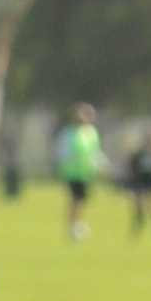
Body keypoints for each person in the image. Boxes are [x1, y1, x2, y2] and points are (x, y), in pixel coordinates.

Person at [56, 102, 105, 239]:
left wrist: (101, 166)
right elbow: (62, 151)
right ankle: (73, 226)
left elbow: (95, 152)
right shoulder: (68, 133)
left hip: (86, 172)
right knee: (75, 199)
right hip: (72, 172)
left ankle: (77, 223)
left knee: (81, 200)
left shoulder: (91, 133)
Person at [124, 124, 151, 236]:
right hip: (141, 183)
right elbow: (132, 166)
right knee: (139, 208)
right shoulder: (140, 153)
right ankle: (137, 228)